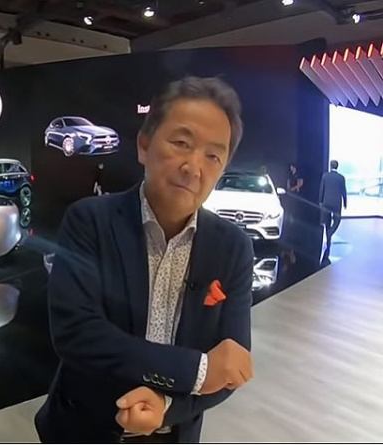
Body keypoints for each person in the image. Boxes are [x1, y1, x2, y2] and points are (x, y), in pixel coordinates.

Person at [35, 77, 254, 444]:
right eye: (181, 143)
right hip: (81, 428)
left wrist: (165, 407)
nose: (194, 167)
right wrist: (198, 370)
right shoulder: (90, 220)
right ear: (144, 145)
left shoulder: (232, 248)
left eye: (213, 156)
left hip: (174, 433)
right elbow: (77, 333)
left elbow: (231, 365)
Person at [319, 160, 347, 253]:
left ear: (330, 166)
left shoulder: (325, 176)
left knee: (326, 221)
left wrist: (320, 201)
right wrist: (345, 203)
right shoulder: (341, 178)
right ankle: (329, 233)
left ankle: (328, 235)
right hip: (336, 203)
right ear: (337, 167)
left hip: (326, 202)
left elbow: (322, 189)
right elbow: (343, 191)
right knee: (337, 220)